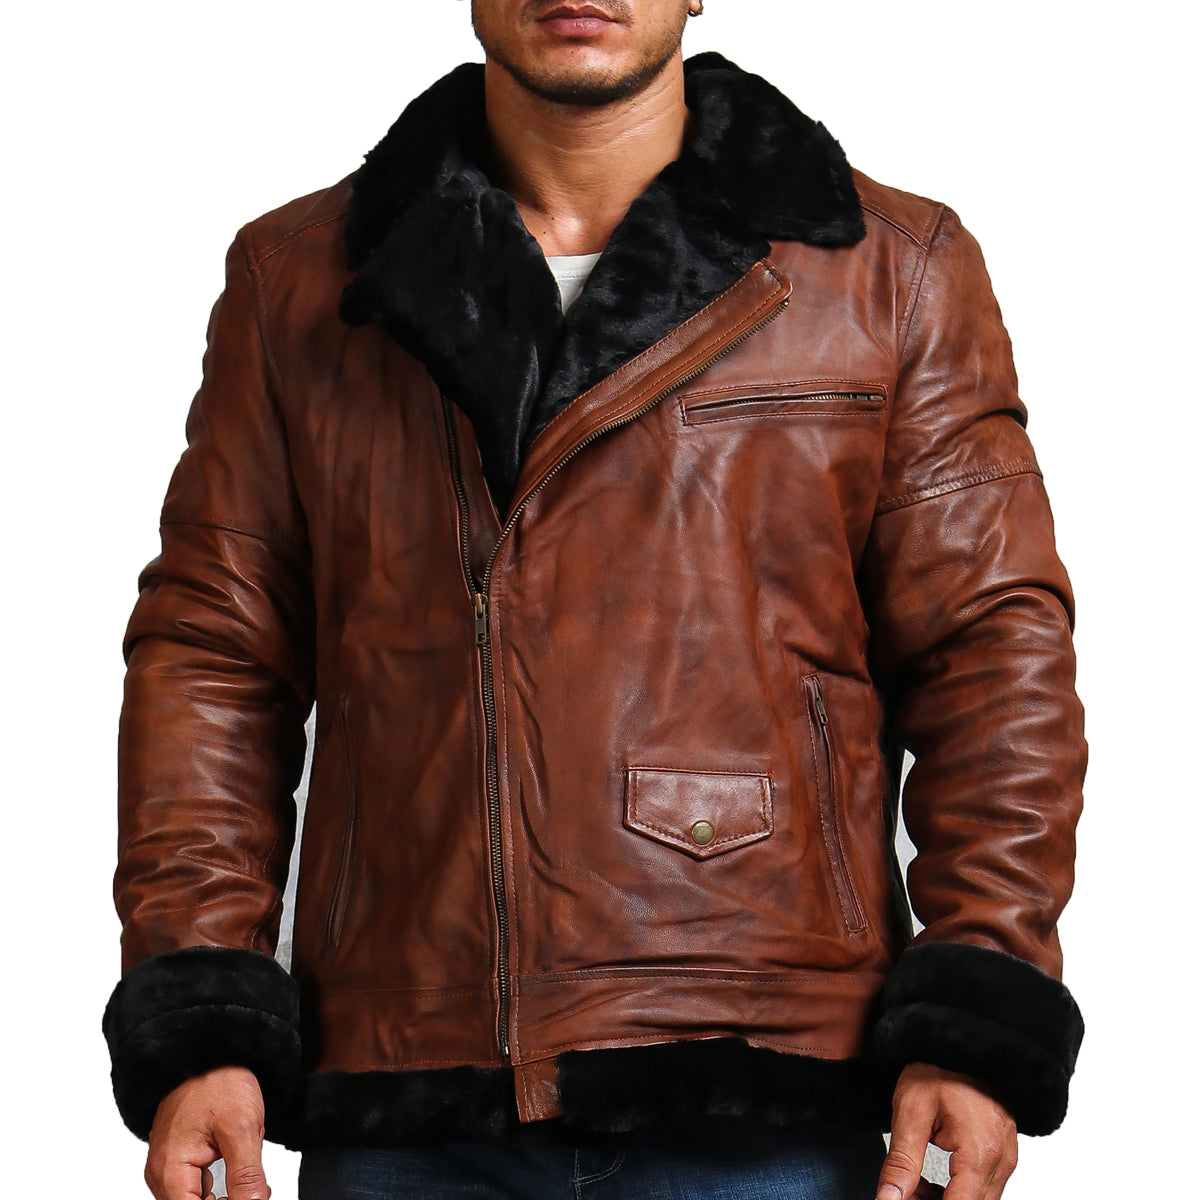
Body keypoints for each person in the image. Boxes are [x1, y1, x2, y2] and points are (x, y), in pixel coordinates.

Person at [101, 2, 1087, 1198]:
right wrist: (204, 1020)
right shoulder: (298, 280)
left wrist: (977, 1009)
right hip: (411, 1082)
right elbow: (214, 654)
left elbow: (992, 651)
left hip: (768, 1081)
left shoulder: (890, 269)